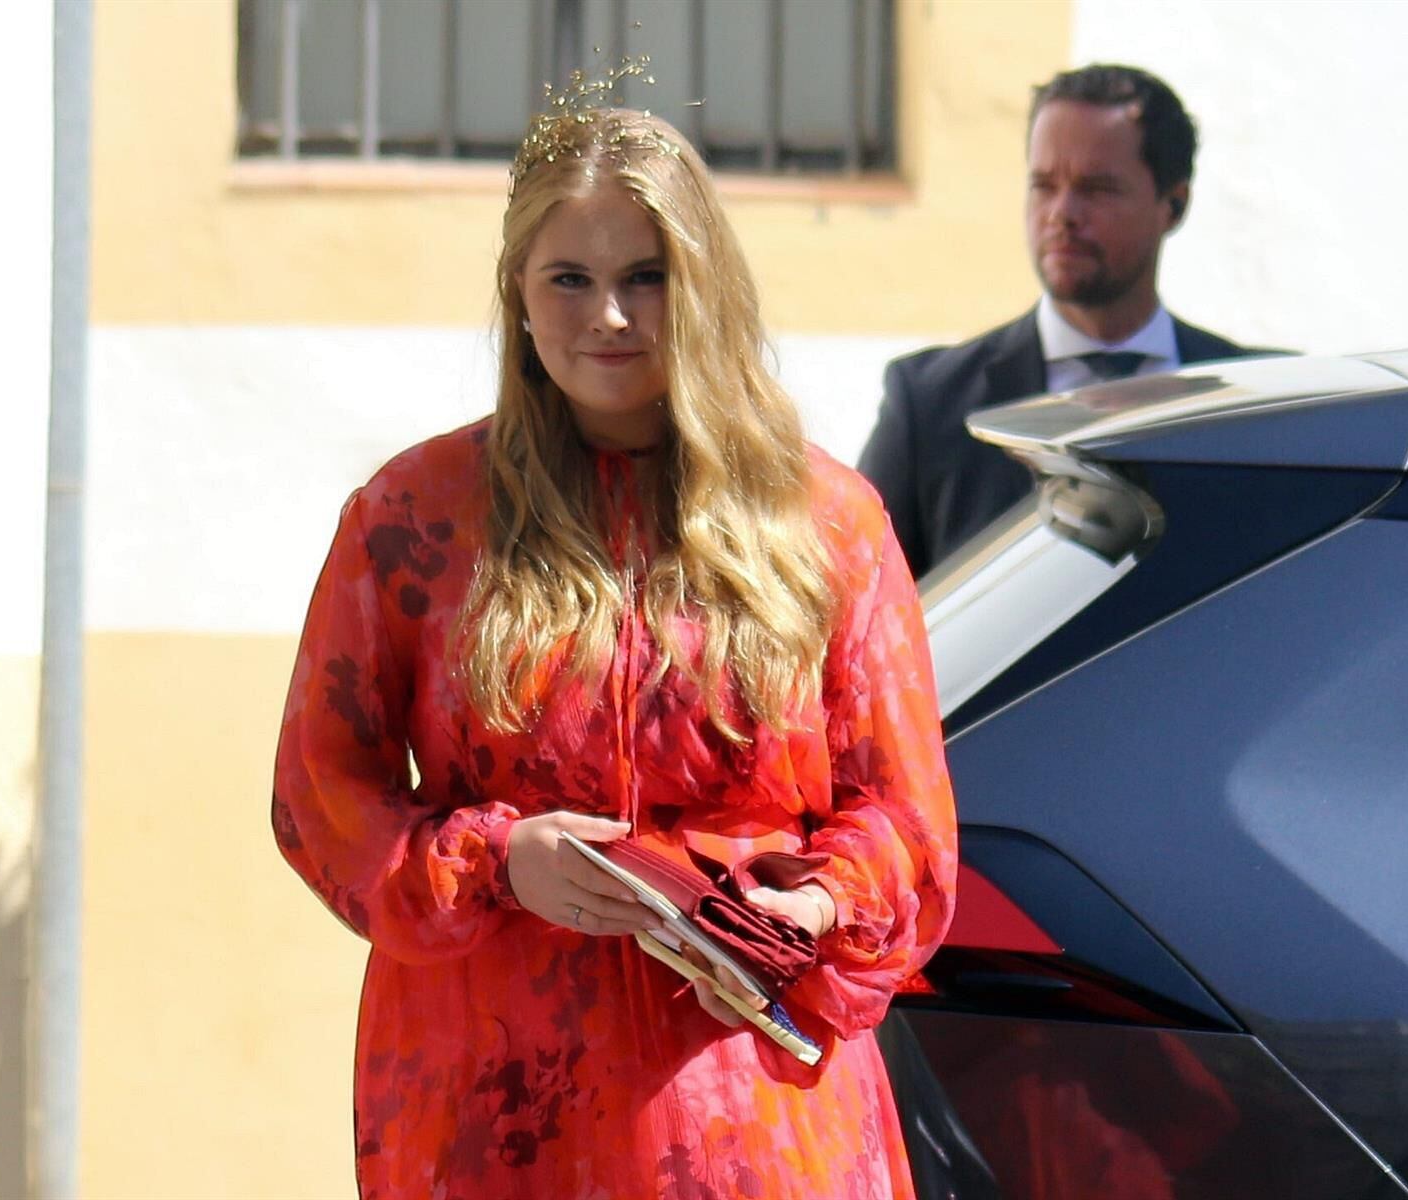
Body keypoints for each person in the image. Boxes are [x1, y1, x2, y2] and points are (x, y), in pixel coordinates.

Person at [272, 93, 957, 1198]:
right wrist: (497, 860)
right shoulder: (412, 516)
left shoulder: (823, 520)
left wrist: (822, 897)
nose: (611, 318)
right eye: (569, 281)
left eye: (647, 275)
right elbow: (321, 794)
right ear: (518, 297)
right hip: (489, 1100)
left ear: (704, 283)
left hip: (749, 1105)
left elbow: (907, 819)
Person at [859, 63, 1269, 580]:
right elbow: (860, 613)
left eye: (1097, 188)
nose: (1062, 213)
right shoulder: (930, 404)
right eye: (1043, 185)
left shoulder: (1255, 401)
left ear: (1173, 203)